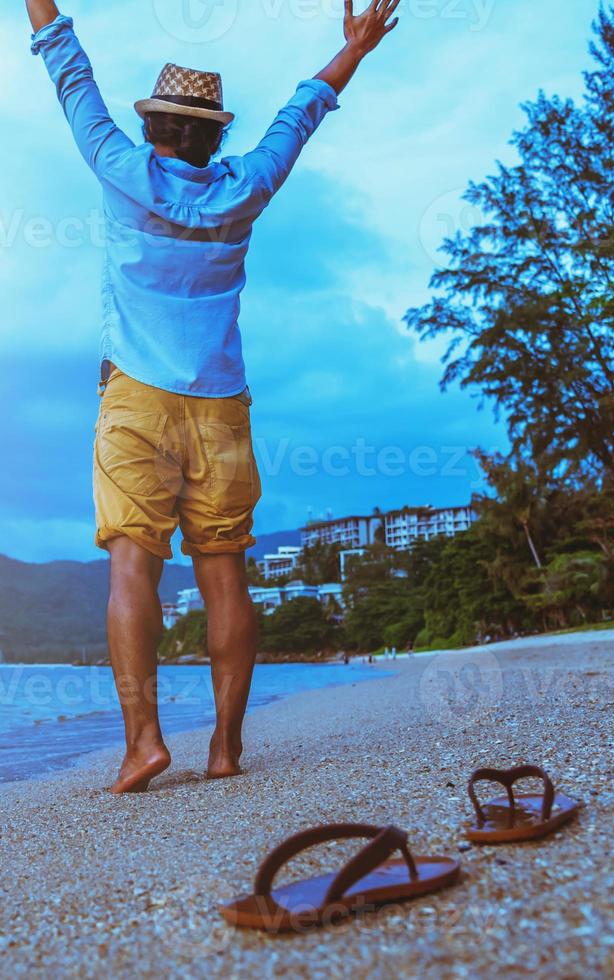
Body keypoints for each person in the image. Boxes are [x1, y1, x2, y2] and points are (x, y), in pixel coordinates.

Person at [25, 0, 402, 792]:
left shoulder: (121, 170)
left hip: (136, 401)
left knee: (134, 567)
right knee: (224, 570)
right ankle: (225, 749)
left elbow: (69, 68)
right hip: (222, 405)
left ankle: (145, 744)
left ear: (157, 130)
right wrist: (357, 51)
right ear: (214, 136)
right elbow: (304, 114)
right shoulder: (247, 188)